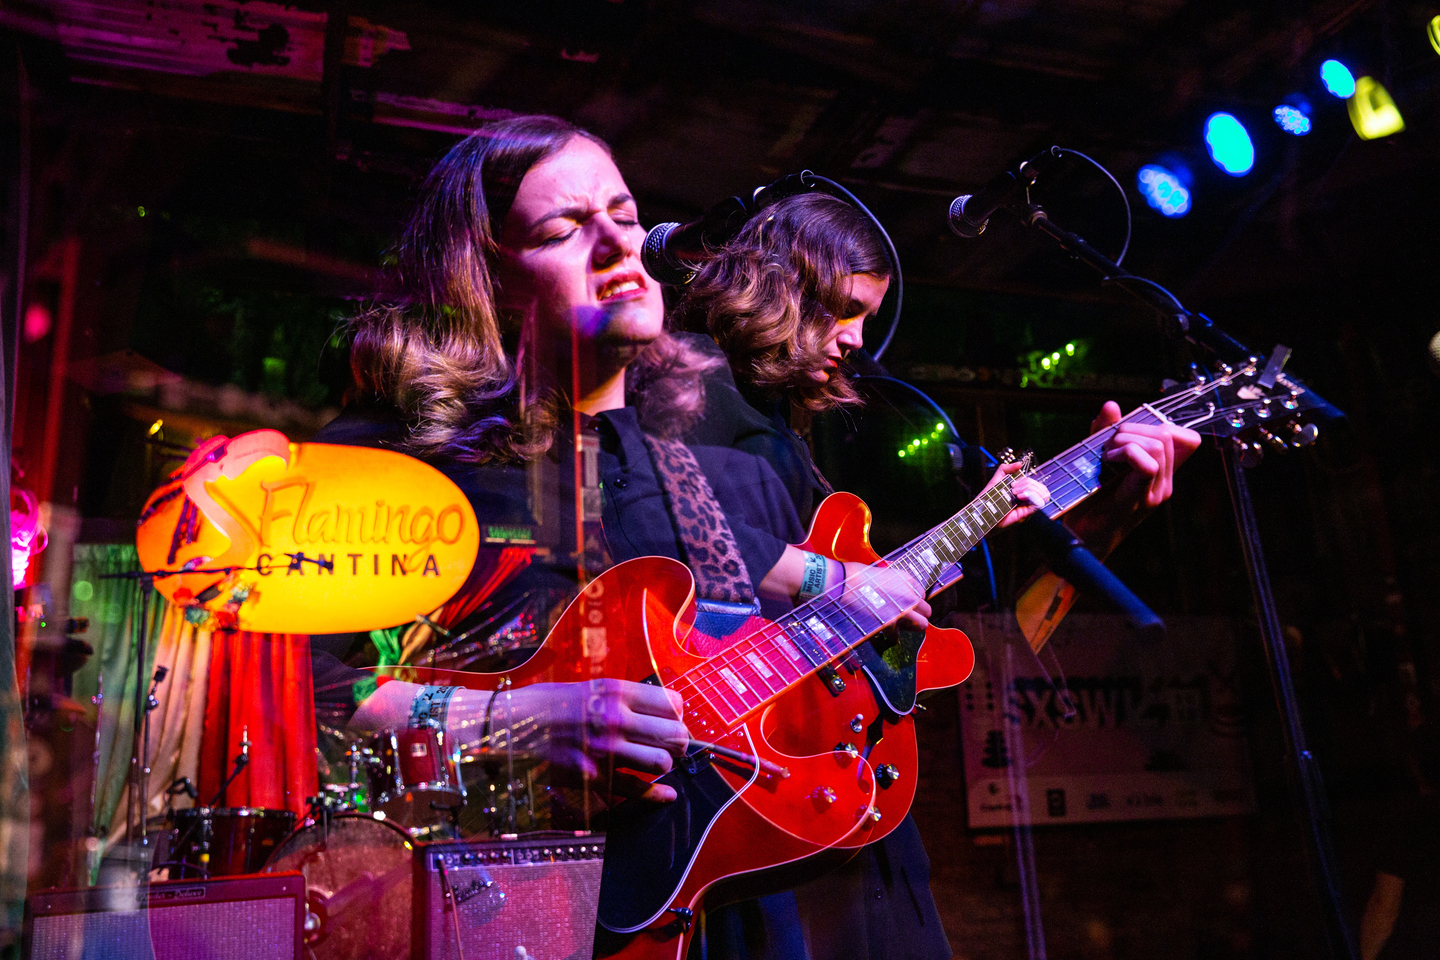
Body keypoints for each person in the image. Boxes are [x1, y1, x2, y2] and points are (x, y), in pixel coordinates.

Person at [672, 190, 1202, 959]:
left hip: (834, 781)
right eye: (846, 310)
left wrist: (1096, 517)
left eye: (867, 318)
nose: (857, 339)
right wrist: (844, 585)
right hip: (745, 787)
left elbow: (1004, 622)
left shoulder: (787, 431)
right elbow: (668, 534)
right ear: (785, 284)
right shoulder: (691, 383)